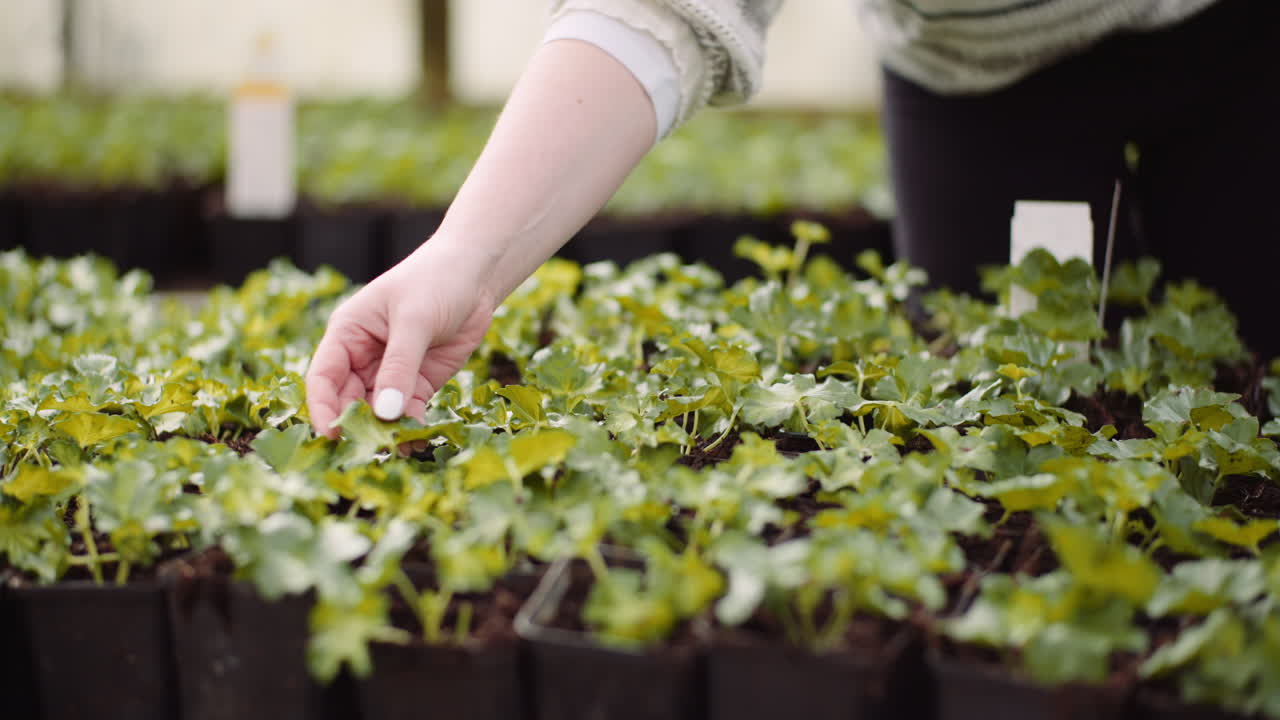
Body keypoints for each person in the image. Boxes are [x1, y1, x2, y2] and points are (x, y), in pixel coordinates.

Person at [307, 0, 1278, 437]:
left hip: (1236, 41)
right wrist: (463, 260)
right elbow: (657, 9)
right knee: (1018, 416)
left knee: (1251, 390)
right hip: (973, 74)